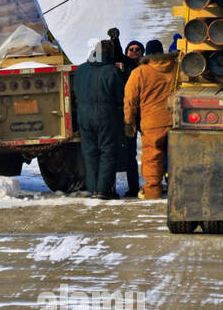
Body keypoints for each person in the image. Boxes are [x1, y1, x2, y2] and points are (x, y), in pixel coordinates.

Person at [124, 39, 179, 200]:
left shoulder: (140, 72)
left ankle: (153, 193)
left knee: (152, 158)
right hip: (176, 120)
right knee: (177, 156)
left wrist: (129, 122)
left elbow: (130, 100)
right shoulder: (177, 67)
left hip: (152, 123)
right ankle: (178, 191)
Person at [72, 38, 125, 199]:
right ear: (110, 54)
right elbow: (120, 97)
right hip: (105, 114)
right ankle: (103, 190)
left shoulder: (80, 70)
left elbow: (76, 92)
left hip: (84, 114)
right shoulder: (112, 71)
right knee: (107, 152)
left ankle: (93, 189)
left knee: (89, 152)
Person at [118, 39, 145, 197]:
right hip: (130, 115)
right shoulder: (125, 65)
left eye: (137, 49)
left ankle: (154, 183)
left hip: (145, 115)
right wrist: (116, 39)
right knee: (130, 153)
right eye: (131, 49)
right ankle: (133, 186)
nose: (134, 51)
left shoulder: (146, 69)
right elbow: (117, 54)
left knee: (152, 152)